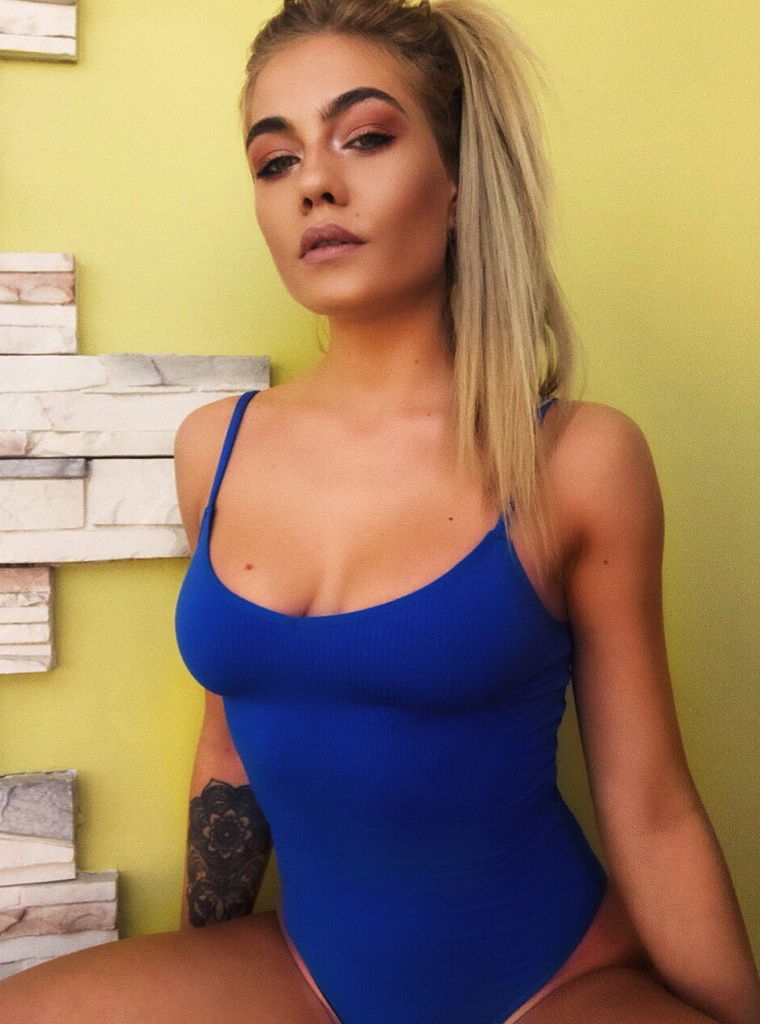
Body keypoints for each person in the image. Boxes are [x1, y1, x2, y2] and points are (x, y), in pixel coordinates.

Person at [1, 1, 758, 1022]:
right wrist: (204, 964)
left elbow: (650, 806)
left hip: (551, 985)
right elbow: (229, 751)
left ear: (456, 183)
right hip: (310, 974)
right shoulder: (213, 449)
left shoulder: (577, 459)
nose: (314, 182)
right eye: (275, 160)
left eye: (363, 137)